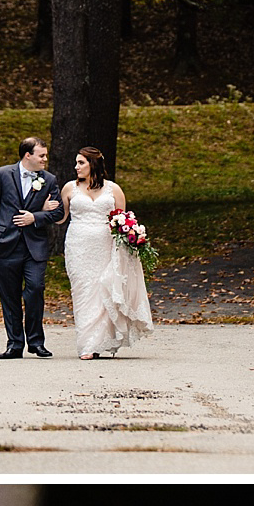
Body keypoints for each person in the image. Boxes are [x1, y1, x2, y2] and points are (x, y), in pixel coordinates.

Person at [0, 129, 66, 362]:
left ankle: (36, 343)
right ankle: (14, 344)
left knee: (35, 289)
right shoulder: (1, 175)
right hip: (5, 245)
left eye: (46, 155)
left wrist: (36, 217)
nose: (45, 159)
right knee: (9, 296)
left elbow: (58, 211)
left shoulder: (48, 180)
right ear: (27, 155)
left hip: (34, 247)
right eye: (41, 155)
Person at [61, 146, 155, 355]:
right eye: (76, 163)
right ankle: (87, 345)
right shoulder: (69, 188)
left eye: (81, 163)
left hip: (105, 246)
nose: (76, 167)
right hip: (78, 247)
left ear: (93, 164)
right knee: (84, 291)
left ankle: (100, 342)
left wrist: (132, 234)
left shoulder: (114, 189)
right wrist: (45, 209)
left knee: (104, 290)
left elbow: (123, 219)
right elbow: (61, 217)